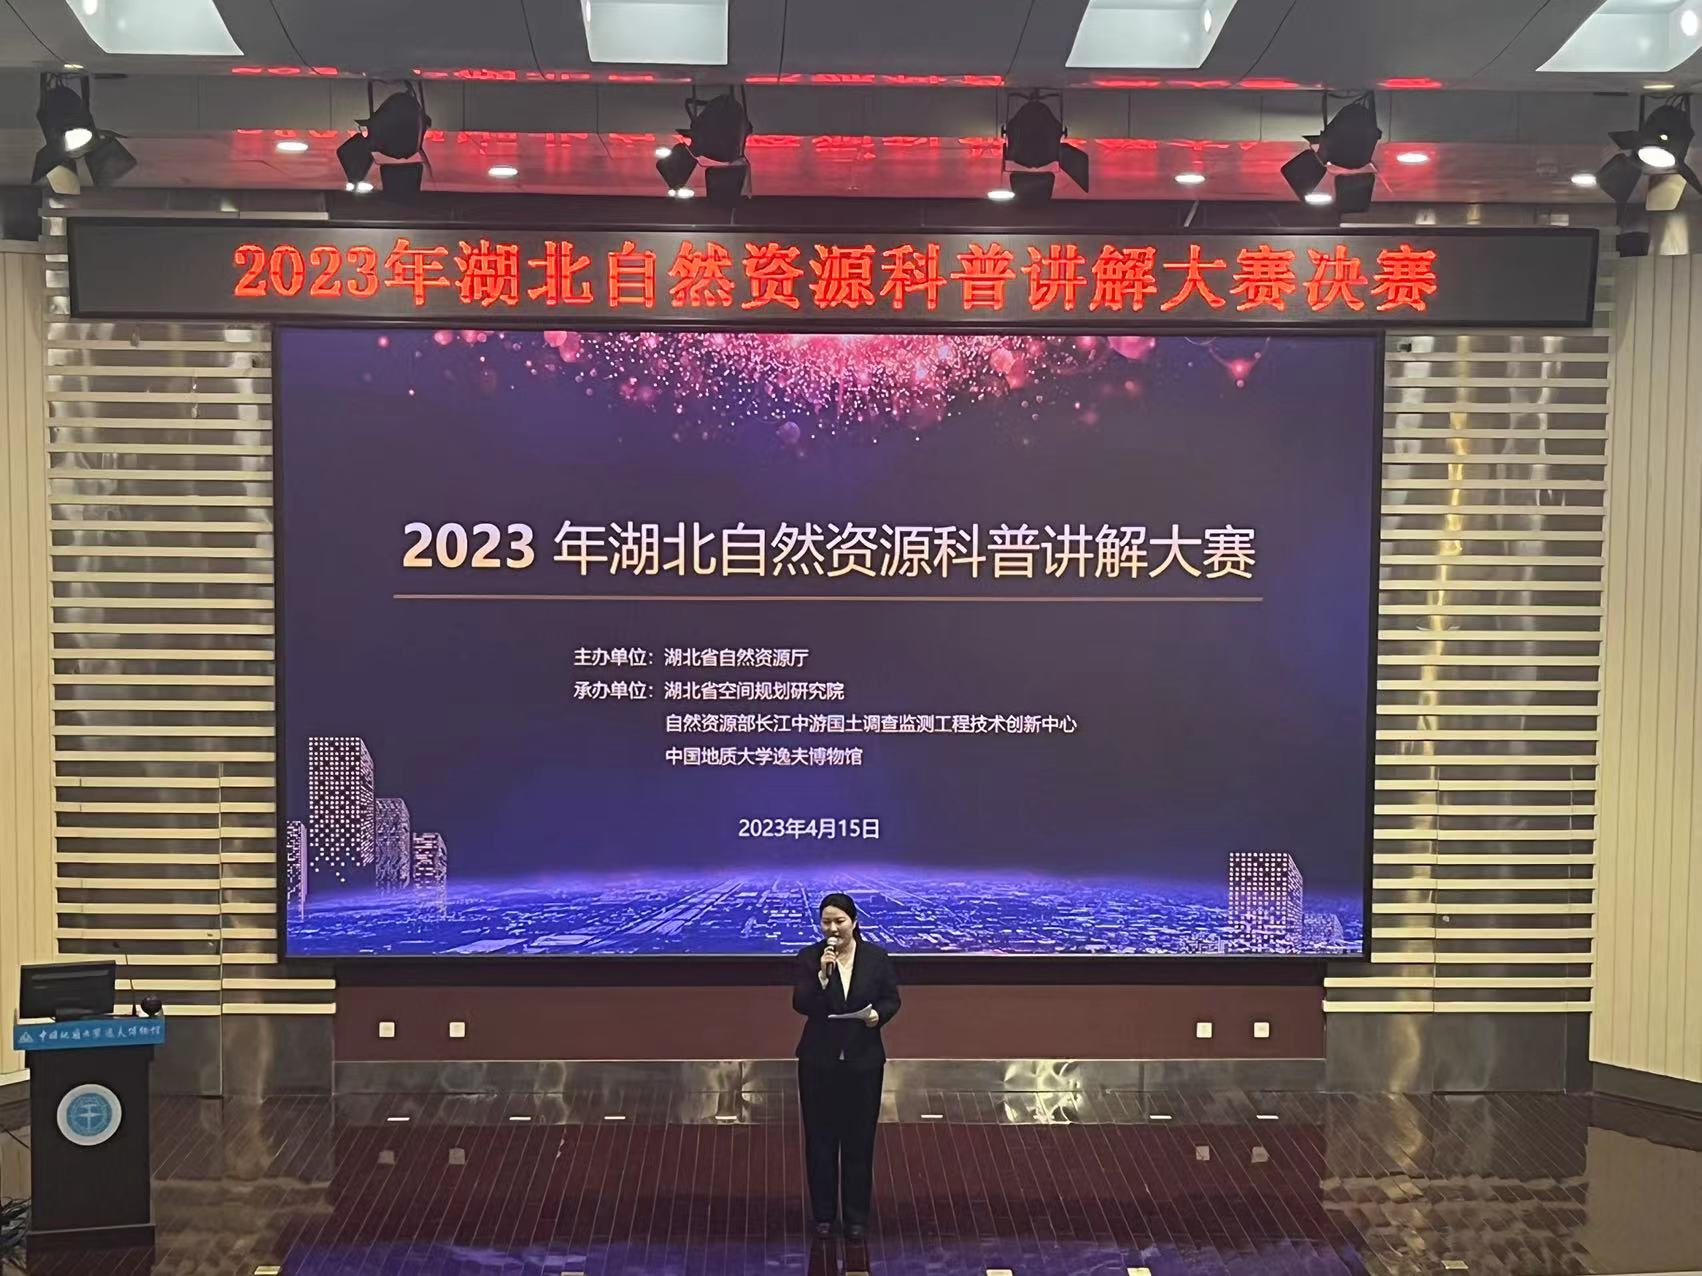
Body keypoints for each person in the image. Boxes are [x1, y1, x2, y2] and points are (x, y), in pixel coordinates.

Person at [792, 891, 901, 1241]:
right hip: (819, 1062)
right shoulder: (810, 958)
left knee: (859, 1141)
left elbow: (891, 999)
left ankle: (856, 1218)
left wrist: (877, 1016)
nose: (833, 928)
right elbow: (801, 1003)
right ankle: (823, 1216)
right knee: (820, 1140)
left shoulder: (876, 957)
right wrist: (823, 978)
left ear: (854, 922)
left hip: (862, 1062)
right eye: (826, 922)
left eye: (839, 921)